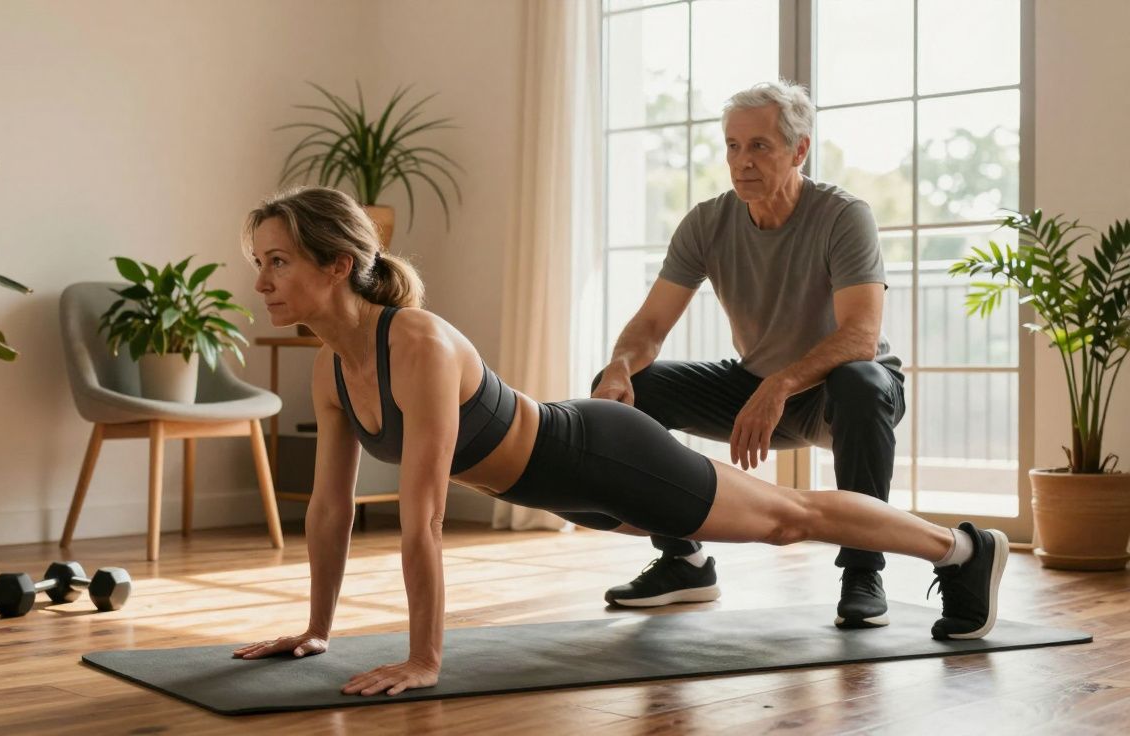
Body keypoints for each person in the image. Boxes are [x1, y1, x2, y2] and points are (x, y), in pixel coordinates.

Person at [231, 186, 1007, 698]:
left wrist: (426, 659)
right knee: (775, 515)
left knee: (787, 516)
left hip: (600, 456)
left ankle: (964, 550)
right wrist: (317, 630)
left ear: (338, 265)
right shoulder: (332, 372)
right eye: (257, 264)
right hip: (573, 497)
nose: (261, 282)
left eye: (277, 262)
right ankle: (691, 565)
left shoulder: (419, 345)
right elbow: (330, 512)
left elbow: (422, 516)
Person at [593, 80, 905, 629]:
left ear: (799, 150)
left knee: (864, 382)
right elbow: (650, 324)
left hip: (838, 388)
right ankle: (684, 561)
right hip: (754, 382)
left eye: (759, 146)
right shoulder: (707, 223)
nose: (742, 162)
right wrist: (620, 364)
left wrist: (781, 385)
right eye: (733, 147)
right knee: (633, 390)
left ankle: (862, 568)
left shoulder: (842, 216)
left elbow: (860, 335)